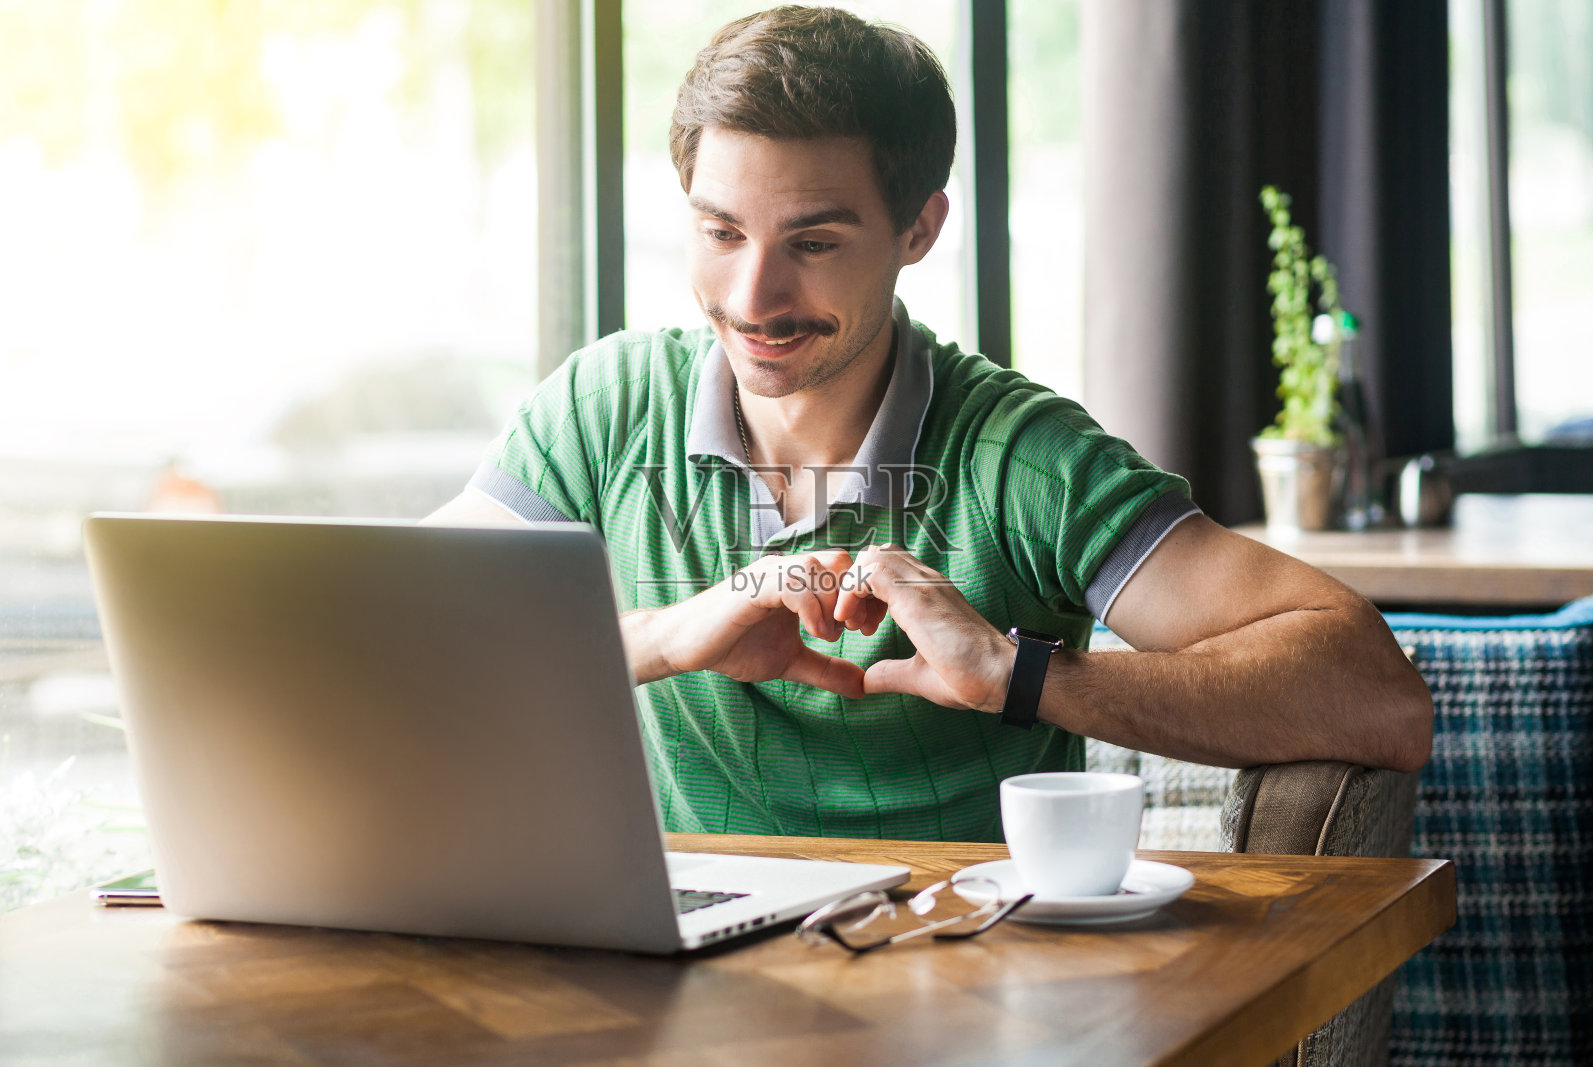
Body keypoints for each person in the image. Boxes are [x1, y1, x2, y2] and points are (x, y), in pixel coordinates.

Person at [427, 6, 1431, 841]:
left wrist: (1016, 671)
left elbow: (1378, 694)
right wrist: (669, 633)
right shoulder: (602, 410)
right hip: (681, 979)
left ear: (920, 228)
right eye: (719, 232)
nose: (752, 294)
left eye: (812, 242)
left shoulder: (1025, 460)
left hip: (957, 987)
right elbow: (402, 638)